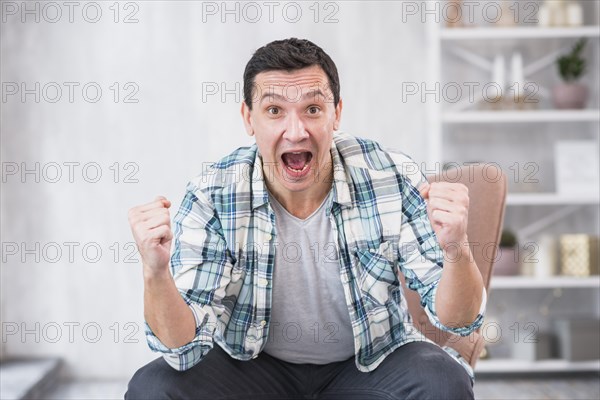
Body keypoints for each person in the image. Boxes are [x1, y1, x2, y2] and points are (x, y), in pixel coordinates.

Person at [125, 38, 486, 400]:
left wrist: (457, 248)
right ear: (249, 118)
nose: (296, 131)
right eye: (275, 111)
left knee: (444, 381)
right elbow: (181, 346)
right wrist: (155, 273)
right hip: (251, 367)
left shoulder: (390, 177)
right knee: (153, 388)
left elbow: (458, 320)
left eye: (313, 109)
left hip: (370, 365)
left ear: (336, 113)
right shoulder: (213, 194)